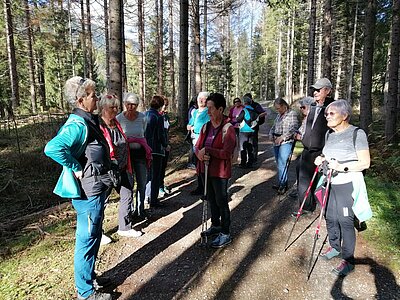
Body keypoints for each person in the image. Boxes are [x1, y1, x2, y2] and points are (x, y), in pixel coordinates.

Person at [44, 76, 112, 300]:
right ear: (81, 100)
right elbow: (53, 148)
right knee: (86, 238)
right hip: (86, 192)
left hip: (95, 189)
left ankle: (89, 276)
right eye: (93, 95)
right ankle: (85, 292)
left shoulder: (88, 120)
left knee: (93, 235)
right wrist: (75, 166)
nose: (97, 98)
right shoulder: (77, 124)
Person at [314, 99, 371, 277]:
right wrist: (321, 159)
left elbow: (365, 163)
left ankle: (348, 260)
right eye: (326, 114)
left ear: (345, 115)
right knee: (330, 217)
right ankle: (334, 246)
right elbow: (327, 153)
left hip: (348, 184)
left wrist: (342, 167)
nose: (327, 117)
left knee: (345, 221)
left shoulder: (357, 133)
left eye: (331, 113)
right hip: (329, 182)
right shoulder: (329, 134)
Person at [195, 92, 236, 248]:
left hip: (220, 172)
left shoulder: (228, 128)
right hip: (207, 171)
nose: (208, 111)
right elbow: (198, 146)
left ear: (220, 109)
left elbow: (226, 153)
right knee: (211, 200)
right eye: (207, 108)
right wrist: (200, 154)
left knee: (221, 201)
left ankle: (225, 233)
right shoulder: (207, 126)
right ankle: (216, 225)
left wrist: (208, 150)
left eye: (211, 108)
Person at [98, 94, 142, 238]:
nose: (116, 110)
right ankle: (98, 232)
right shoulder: (99, 126)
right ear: (103, 108)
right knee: (102, 201)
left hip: (123, 167)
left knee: (127, 194)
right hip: (107, 171)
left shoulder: (116, 123)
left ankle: (124, 227)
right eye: (112, 107)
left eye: (117, 107)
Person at [296, 78, 334, 215]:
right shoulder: (312, 106)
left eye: (319, 90)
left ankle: (329, 211)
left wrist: (327, 152)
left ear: (327, 91)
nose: (315, 92)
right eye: (314, 90)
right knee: (303, 180)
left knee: (324, 183)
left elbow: (334, 131)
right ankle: (306, 207)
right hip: (307, 150)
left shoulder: (332, 108)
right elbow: (308, 126)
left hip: (322, 152)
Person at [117, 92, 151, 219]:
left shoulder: (142, 117)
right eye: (128, 104)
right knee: (129, 184)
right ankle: (129, 210)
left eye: (134, 105)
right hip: (127, 157)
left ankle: (140, 209)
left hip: (140, 155)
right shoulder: (119, 118)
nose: (131, 107)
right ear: (125, 104)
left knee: (142, 182)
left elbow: (143, 134)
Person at [269, 98, 299, 194]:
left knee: (282, 163)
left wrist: (283, 137)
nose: (277, 110)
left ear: (284, 106)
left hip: (286, 142)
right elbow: (274, 127)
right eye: (276, 109)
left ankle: (283, 185)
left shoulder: (292, 114)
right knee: (279, 163)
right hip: (276, 141)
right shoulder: (279, 115)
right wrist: (271, 134)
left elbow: (294, 128)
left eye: (278, 108)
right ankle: (281, 182)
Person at [145, 95, 168, 208]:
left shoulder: (144, 114)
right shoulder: (158, 117)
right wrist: (165, 145)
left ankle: (146, 197)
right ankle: (153, 200)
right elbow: (160, 134)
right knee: (155, 176)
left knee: (147, 175)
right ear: (160, 105)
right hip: (156, 150)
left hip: (145, 148)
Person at [187, 91, 210, 195]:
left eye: (203, 98)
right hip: (195, 140)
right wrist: (189, 126)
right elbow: (190, 123)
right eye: (199, 98)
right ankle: (200, 186)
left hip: (204, 140)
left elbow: (209, 125)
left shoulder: (209, 111)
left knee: (205, 164)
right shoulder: (195, 112)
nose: (201, 100)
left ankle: (207, 189)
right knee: (197, 165)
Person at [236, 96, 260, 168]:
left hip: (244, 131)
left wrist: (237, 117)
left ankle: (243, 163)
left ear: (244, 103)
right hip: (253, 131)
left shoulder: (244, 110)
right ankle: (250, 163)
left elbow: (238, 119)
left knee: (243, 147)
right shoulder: (255, 110)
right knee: (250, 147)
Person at [244, 93, 266, 161]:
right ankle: (248, 158)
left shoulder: (256, 105)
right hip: (245, 127)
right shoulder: (244, 106)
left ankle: (254, 158)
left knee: (254, 142)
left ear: (251, 99)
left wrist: (257, 118)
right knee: (246, 143)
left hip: (254, 127)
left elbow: (264, 113)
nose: (245, 100)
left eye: (247, 99)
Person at [159, 96, 172, 196]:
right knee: (158, 168)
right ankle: (158, 188)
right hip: (159, 147)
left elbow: (167, 130)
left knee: (163, 167)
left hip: (166, 145)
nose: (165, 107)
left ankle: (161, 184)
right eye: (163, 105)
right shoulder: (155, 116)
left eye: (166, 105)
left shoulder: (165, 116)